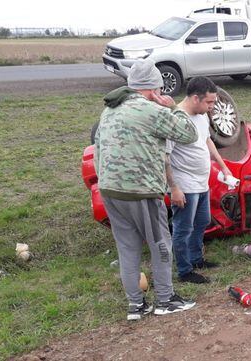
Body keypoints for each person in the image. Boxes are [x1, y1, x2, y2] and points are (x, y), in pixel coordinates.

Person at [94, 59, 197, 320]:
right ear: (154, 90)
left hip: (109, 190)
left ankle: (136, 305)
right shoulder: (150, 110)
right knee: (161, 243)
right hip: (140, 191)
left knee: (127, 248)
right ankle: (165, 299)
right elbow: (188, 133)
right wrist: (173, 107)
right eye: (160, 90)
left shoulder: (110, 110)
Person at [165, 77, 233, 284]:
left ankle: (196, 259)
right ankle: (185, 271)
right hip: (185, 185)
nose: (212, 108)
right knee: (183, 228)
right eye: (209, 103)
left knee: (202, 221)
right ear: (196, 98)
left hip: (202, 183)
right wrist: (174, 188)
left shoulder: (201, 116)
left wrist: (223, 166)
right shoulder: (174, 120)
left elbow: (207, 140)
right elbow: (164, 157)